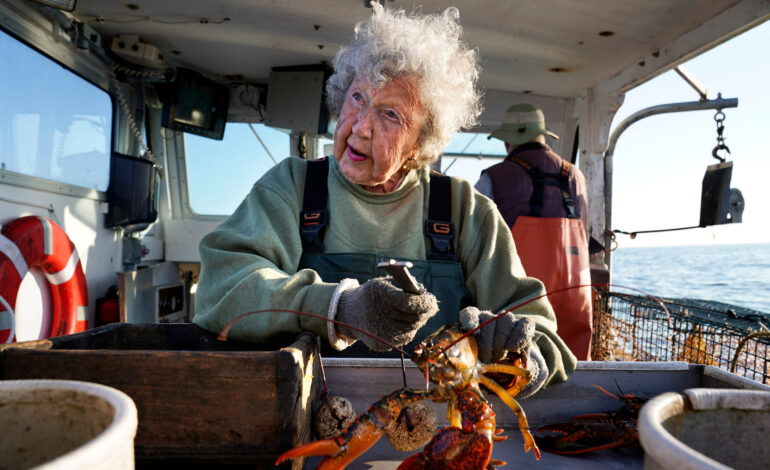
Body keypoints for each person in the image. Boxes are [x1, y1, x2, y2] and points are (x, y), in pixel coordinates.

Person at [194, 5, 576, 397]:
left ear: (421, 142)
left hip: (438, 433)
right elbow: (220, 289)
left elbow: (543, 338)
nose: (360, 126)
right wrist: (338, 308)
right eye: (357, 97)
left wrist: (518, 357)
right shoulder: (291, 186)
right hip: (307, 420)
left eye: (390, 114)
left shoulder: (466, 211)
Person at [475, 103, 593, 360]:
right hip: (575, 293)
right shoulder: (577, 176)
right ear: (543, 136)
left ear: (508, 142)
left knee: (519, 362)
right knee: (574, 363)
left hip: (522, 297)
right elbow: (587, 228)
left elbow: (473, 237)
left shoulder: (493, 177)